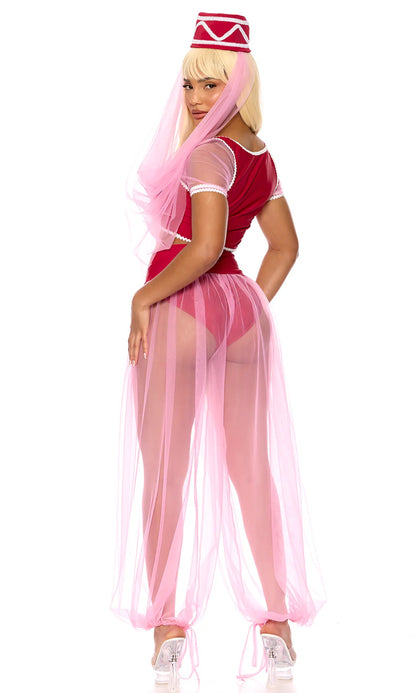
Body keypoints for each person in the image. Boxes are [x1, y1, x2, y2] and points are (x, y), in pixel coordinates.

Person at [110, 11, 326, 690]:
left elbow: (203, 248)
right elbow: (285, 247)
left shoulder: (206, 155)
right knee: (252, 469)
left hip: (181, 310)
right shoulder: (260, 154)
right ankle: (277, 627)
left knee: (164, 473)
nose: (198, 97)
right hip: (241, 316)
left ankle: (168, 630)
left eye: (213, 84)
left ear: (239, 84)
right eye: (190, 84)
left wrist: (144, 298)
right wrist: (248, 303)